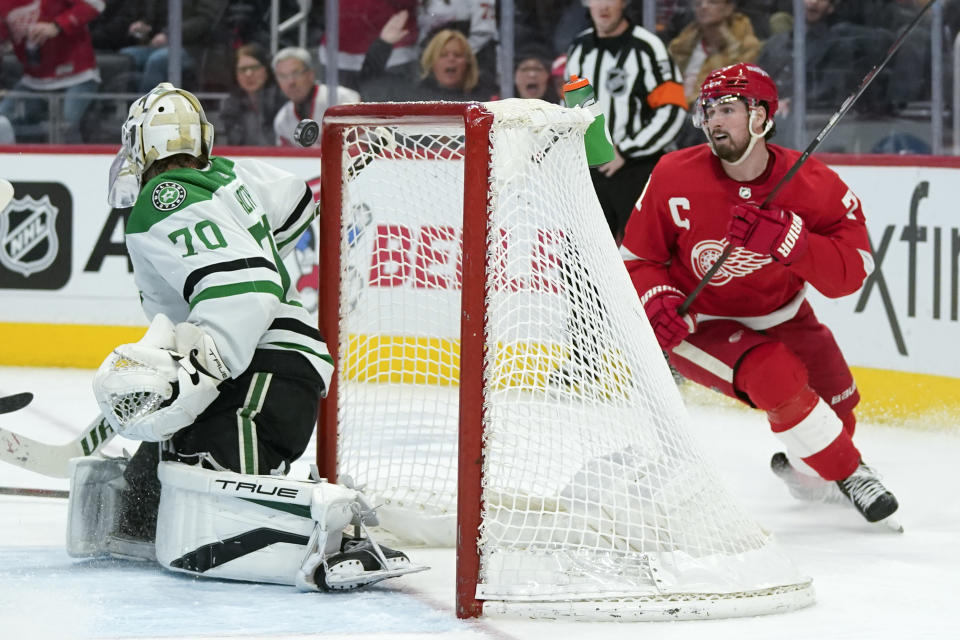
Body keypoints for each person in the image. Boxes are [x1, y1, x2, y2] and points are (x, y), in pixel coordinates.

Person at [77, 83, 423, 591]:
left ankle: (336, 539)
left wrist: (203, 364)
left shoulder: (161, 197)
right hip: (265, 370)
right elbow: (296, 205)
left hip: (262, 372)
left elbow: (250, 284)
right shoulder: (229, 174)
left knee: (209, 520)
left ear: (142, 144)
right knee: (146, 512)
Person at [619, 63, 900, 527]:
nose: (714, 121)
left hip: (782, 314)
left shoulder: (813, 184)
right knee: (776, 375)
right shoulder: (673, 174)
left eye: (727, 109)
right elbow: (636, 257)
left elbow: (853, 272)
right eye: (708, 111)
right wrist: (658, 298)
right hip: (698, 324)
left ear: (763, 117)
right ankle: (855, 475)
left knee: (839, 409)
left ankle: (810, 476)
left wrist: (795, 243)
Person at [565, 0, 687, 244]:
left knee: (642, 252)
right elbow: (571, 109)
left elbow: (673, 109)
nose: (603, 6)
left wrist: (628, 150)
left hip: (637, 169)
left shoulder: (647, 47)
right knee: (579, 257)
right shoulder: (579, 47)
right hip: (591, 171)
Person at [0, 0, 102, 143]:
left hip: (77, 75)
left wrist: (58, 25)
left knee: (66, 127)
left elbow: (96, 4)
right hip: (33, 79)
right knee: (2, 120)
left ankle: (75, 163)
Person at [668, 0, 761, 107]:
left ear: (728, 8)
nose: (703, 7)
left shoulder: (745, 46)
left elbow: (734, 89)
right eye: (698, 3)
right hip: (675, 109)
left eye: (713, 2)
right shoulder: (683, 43)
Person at [272, 46, 360, 146]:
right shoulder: (282, 121)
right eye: (283, 76)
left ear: (311, 74)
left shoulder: (342, 99)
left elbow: (366, 144)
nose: (291, 82)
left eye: (296, 73)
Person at [219, 43, 286, 146]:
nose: (248, 74)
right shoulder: (230, 106)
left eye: (254, 67)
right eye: (242, 69)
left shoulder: (282, 99)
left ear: (266, 70)